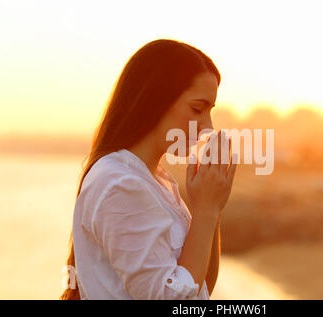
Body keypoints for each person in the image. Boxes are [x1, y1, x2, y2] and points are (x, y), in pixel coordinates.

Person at [60, 39, 237, 300]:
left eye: (208, 111)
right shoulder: (118, 182)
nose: (207, 126)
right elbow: (170, 298)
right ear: (155, 101)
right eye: (196, 109)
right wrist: (205, 210)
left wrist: (210, 208)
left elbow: (201, 289)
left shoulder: (157, 181)